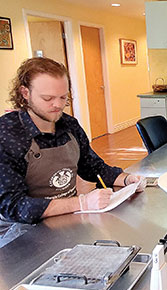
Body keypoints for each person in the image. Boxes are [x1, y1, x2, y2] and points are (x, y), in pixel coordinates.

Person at [0, 57, 146, 233]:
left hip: (67, 220)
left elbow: (92, 166)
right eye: (48, 98)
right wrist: (82, 202)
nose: (58, 105)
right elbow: (14, 206)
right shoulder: (7, 135)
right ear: (25, 93)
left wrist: (125, 179)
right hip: (21, 233)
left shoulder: (69, 125)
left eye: (63, 97)